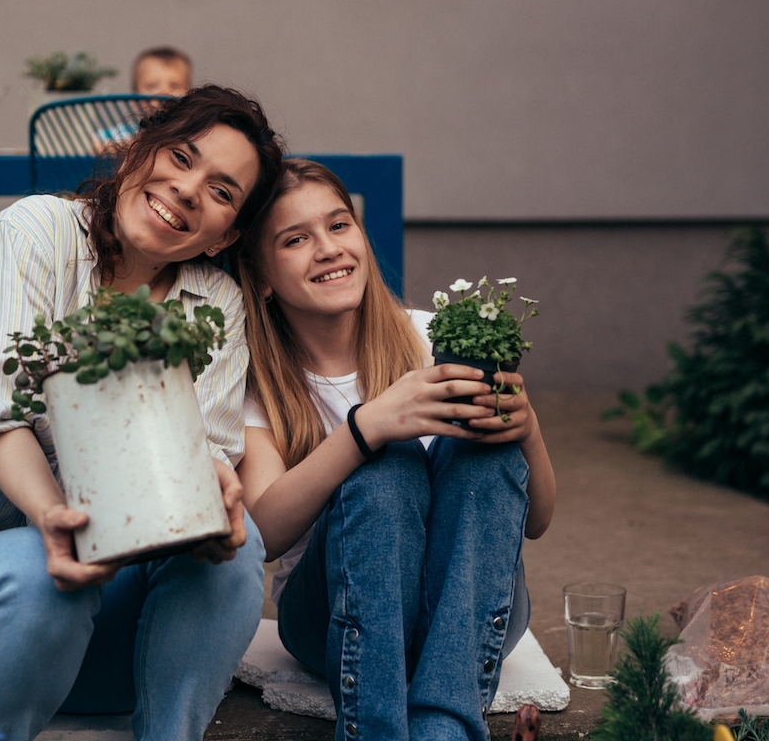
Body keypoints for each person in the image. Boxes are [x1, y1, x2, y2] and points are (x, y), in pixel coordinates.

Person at [0, 86, 285, 741]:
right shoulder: (36, 233)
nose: (186, 189)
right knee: (41, 569)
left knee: (234, 547)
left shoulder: (213, 302)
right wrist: (53, 519)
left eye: (222, 191)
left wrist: (213, 485)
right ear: (135, 150)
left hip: (111, 653)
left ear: (224, 235)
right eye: (180, 156)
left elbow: (197, 453)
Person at [233, 159, 556, 741]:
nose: (328, 248)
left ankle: (444, 729)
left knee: (486, 454)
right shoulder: (260, 383)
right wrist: (365, 429)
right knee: (388, 470)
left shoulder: (434, 338)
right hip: (333, 616)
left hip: (468, 608)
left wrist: (526, 430)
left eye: (339, 225)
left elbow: (536, 520)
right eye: (296, 239)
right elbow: (262, 535)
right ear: (259, 275)